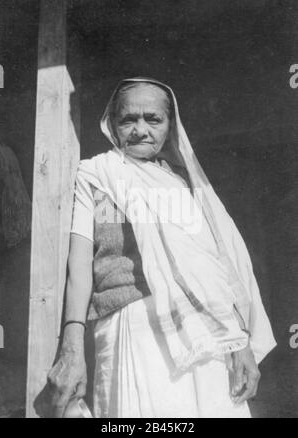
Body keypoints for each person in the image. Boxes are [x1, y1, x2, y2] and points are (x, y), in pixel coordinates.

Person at [48, 77, 276, 418]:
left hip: (205, 334)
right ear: (112, 124)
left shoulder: (186, 184)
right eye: (129, 119)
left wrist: (239, 343)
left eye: (153, 119)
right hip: (132, 327)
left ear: (170, 126)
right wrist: (72, 344)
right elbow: (79, 264)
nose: (140, 129)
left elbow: (216, 268)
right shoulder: (96, 175)